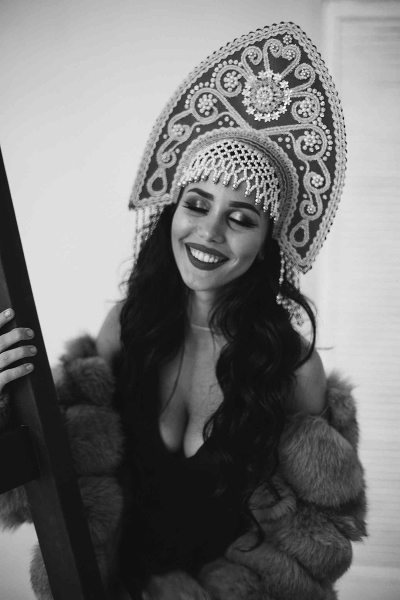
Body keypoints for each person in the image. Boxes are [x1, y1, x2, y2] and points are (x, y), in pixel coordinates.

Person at [0, 23, 367, 600]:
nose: (210, 232)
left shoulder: (293, 366)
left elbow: (314, 540)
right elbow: (49, 477)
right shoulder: (127, 327)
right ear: (172, 211)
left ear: (267, 244)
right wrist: (7, 399)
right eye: (197, 204)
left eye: (241, 218)